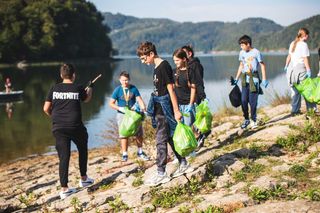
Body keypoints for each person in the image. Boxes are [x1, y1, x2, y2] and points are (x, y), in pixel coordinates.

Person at [137, 41, 193, 186]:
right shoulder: (156, 67)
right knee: (168, 138)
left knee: (160, 141)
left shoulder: (164, 66)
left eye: (144, 58)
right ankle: (183, 162)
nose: (143, 62)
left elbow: (171, 89)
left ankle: (161, 173)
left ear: (151, 54)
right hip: (159, 108)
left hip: (166, 109)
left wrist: (176, 111)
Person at [43, 63, 94, 199]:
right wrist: (90, 89)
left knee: (64, 157)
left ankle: (64, 189)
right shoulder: (78, 87)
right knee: (82, 148)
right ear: (74, 75)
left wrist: (55, 117)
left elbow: (46, 108)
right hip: (75, 126)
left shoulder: (54, 88)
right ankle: (83, 178)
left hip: (58, 128)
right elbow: (87, 99)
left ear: (61, 75)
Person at [109, 71, 150, 162]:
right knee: (124, 134)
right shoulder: (117, 90)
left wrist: (143, 108)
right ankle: (125, 154)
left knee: (139, 133)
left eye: (126, 80)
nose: (125, 82)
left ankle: (140, 152)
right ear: (120, 80)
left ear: (129, 80)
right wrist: (120, 108)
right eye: (123, 80)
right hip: (122, 115)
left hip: (133, 114)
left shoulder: (133, 88)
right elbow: (111, 104)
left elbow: (139, 99)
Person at [231, 35, 268, 129]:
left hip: (254, 79)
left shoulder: (256, 52)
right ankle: (246, 119)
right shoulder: (241, 53)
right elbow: (241, 65)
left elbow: (262, 65)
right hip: (244, 79)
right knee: (243, 101)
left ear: (248, 44)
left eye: (242, 45)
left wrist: (264, 79)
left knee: (253, 102)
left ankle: (254, 120)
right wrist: (236, 78)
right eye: (240, 45)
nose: (241, 47)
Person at [182, 45, 210, 149]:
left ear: (189, 54)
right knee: (192, 119)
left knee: (195, 119)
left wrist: (202, 96)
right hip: (189, 96)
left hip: (197, 95)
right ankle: (200, 136)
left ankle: (201, 136)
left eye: (184, 54)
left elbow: (199, 81)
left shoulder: (195, 65)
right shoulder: (187, 65)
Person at [284, 28, 316, 115]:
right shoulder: (303, 45)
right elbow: (305, 58)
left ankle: (295, 110)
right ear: (305, 35)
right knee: (307, 89)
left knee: (296, 91)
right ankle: (311, 110)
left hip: (292, 70)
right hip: (301, 70)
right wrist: (308, 69)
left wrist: (286, 66)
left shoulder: (292, 43)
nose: (308, 36)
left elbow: (289, 56)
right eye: (307, 35)